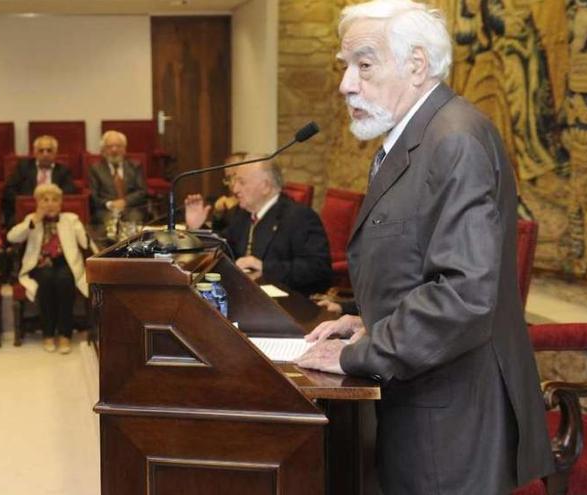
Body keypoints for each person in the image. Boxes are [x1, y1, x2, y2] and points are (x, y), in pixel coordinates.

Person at [295, 1, 554, 493]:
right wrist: (366, 319)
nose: (346, 84)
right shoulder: (414, 135)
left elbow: (463, 295)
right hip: (423, 401)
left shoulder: (453, 139)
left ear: (416, 65)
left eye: (363, 65)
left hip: (450, 421)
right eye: (345, 67)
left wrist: (356, 355)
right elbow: (418, 264)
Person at [184, 158, 333, 296]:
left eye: (241, 182)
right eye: (234, 182)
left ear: (266, 186)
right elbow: (225, 248)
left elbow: (319, 270)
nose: (235, 189)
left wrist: (264, 267)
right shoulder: (243, 214)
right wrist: (197, 228)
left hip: (288, 305)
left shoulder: (299, 217)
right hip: (247, 298)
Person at [7, 184, 89, 354]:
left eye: (54, 200)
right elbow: (12, 237)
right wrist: (34, 220)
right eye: (45, 200)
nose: (50, 204)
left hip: (66, 263)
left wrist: (79, 227)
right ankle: (48, 333)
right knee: (46, 280)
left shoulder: (70, 219)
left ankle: (65, 334)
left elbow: (85, 243)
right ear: (38, 202)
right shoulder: (32, 219)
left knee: (65, 280)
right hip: (41, 264)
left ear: (61, 203)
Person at [2, 135, 76, 227]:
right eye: (41, 150)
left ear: (55, 153)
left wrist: (50, 205)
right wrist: (29, 203)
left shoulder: (63, 170)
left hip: (54, 213)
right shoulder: (23, 167)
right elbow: (9, 191)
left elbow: (69, 193)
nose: (45, 154)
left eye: (49, 150)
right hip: (26, 212)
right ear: (35, 153)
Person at [88, 130, 147, 224]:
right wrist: (111, 204)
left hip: (131, 208)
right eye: (109, 147)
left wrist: (125, 202)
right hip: (106, 210)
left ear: (124, 149)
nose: (114, 150)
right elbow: (94, 196)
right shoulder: (95, 169)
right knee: (111, 224)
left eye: (118, 146)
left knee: (134, 221)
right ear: (103, 150)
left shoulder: (135, 166)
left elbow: (142, 191)